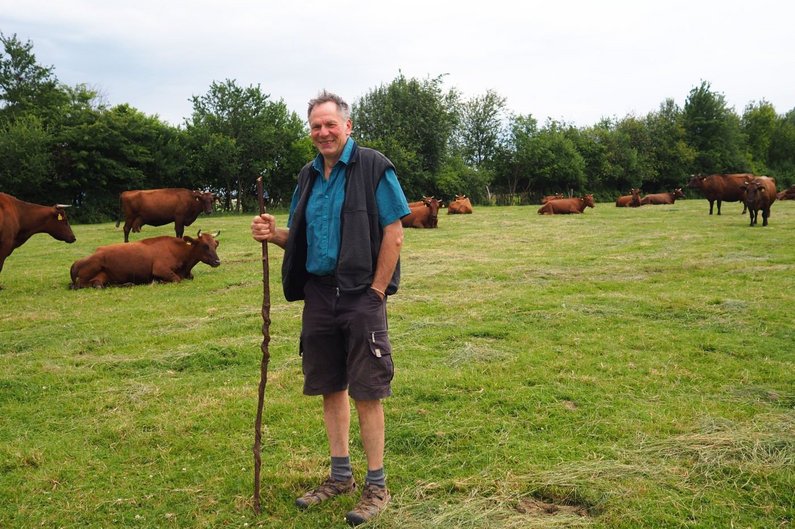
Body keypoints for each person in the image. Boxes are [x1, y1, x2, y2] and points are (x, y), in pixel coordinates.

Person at [251, 90, 409, 526]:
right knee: (330, 386)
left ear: (347, 126)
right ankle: (340, 476)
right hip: (319, 295)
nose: (323, 132)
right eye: (316, 126)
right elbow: (300, 239)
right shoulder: (307, 177)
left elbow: (394, 232)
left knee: (368, 390)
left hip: (361, 295)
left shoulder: (374, 166)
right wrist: (274, 233)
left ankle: (376, 486)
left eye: (330, 124)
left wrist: (376, 292)